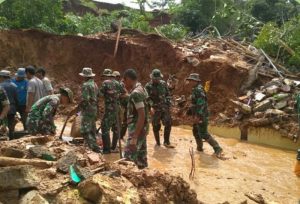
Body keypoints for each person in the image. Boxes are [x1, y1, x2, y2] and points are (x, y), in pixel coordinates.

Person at [185, 73, 223, 157]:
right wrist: (190, 111)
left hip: (201, 115)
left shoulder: (199, 90)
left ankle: (217, 148)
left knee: (203, 133)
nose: (190, 82)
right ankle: (199, 148)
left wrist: (198, 116)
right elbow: (195, 103)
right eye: (189, 80)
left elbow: (201, 104)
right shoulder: (195, 89)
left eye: (191, 80)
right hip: (197, 114)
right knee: (195, 131)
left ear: (195, 81)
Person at [123, 68, 149, 169]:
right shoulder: (142, 89)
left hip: (137, 129)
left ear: (128, 79)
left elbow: (141, 115)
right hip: (143, 128)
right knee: (141, 158)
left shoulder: (135, 94)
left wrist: (134, 137)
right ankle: (146, 180)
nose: (124, 84)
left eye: (124, 81)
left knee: (128, 159)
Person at [145, 69, 173, 148]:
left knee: (168, 124)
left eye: (158, 79)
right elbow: (147, 98)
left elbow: (168, 94)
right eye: (155, 79)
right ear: (152, 78)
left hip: (164, 108)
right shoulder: (148, 86)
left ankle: (166, 142)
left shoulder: (163, 84)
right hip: (155, 109)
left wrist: (168, 103)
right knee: (156, 126)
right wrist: (151, 107)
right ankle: (158, 143)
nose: (157, 80)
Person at [79, 67, 101, 153]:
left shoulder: (86, 85)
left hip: (88, 109)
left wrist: (79, 109)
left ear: (85, 76)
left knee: (84, 130)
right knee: (92, 129)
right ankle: (95, 147)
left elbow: (85, 99)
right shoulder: (95, 84)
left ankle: (94, 147)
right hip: (94, 108)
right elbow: (97, 96)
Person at [99, 69, 120, 154]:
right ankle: (114, 147)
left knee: (105, 128)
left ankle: (107, 150)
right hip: (117, 109)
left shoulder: (105, 83)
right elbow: (124, 93)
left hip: (110, 109)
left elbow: (100, 95)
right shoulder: (117, 83)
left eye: (104, 76)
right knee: (115, 128)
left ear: (106, 76)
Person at [0, 70, 18, 140]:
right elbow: (16, 98)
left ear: (2, 77)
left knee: (3, 125)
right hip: (12, 108)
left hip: (2, 109)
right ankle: (11, 138)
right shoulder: (14, 86)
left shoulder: (1, 86)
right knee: (11, 125)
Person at [113, 71, 129, 140]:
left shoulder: (120, 84)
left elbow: (126, 94)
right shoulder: (114, 84)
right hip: (119, 105)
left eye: (117, 77)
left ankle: (121, 135)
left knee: (123, 121)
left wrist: (118, 96)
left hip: (124, 105)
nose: (116, 78)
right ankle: (119, 135)